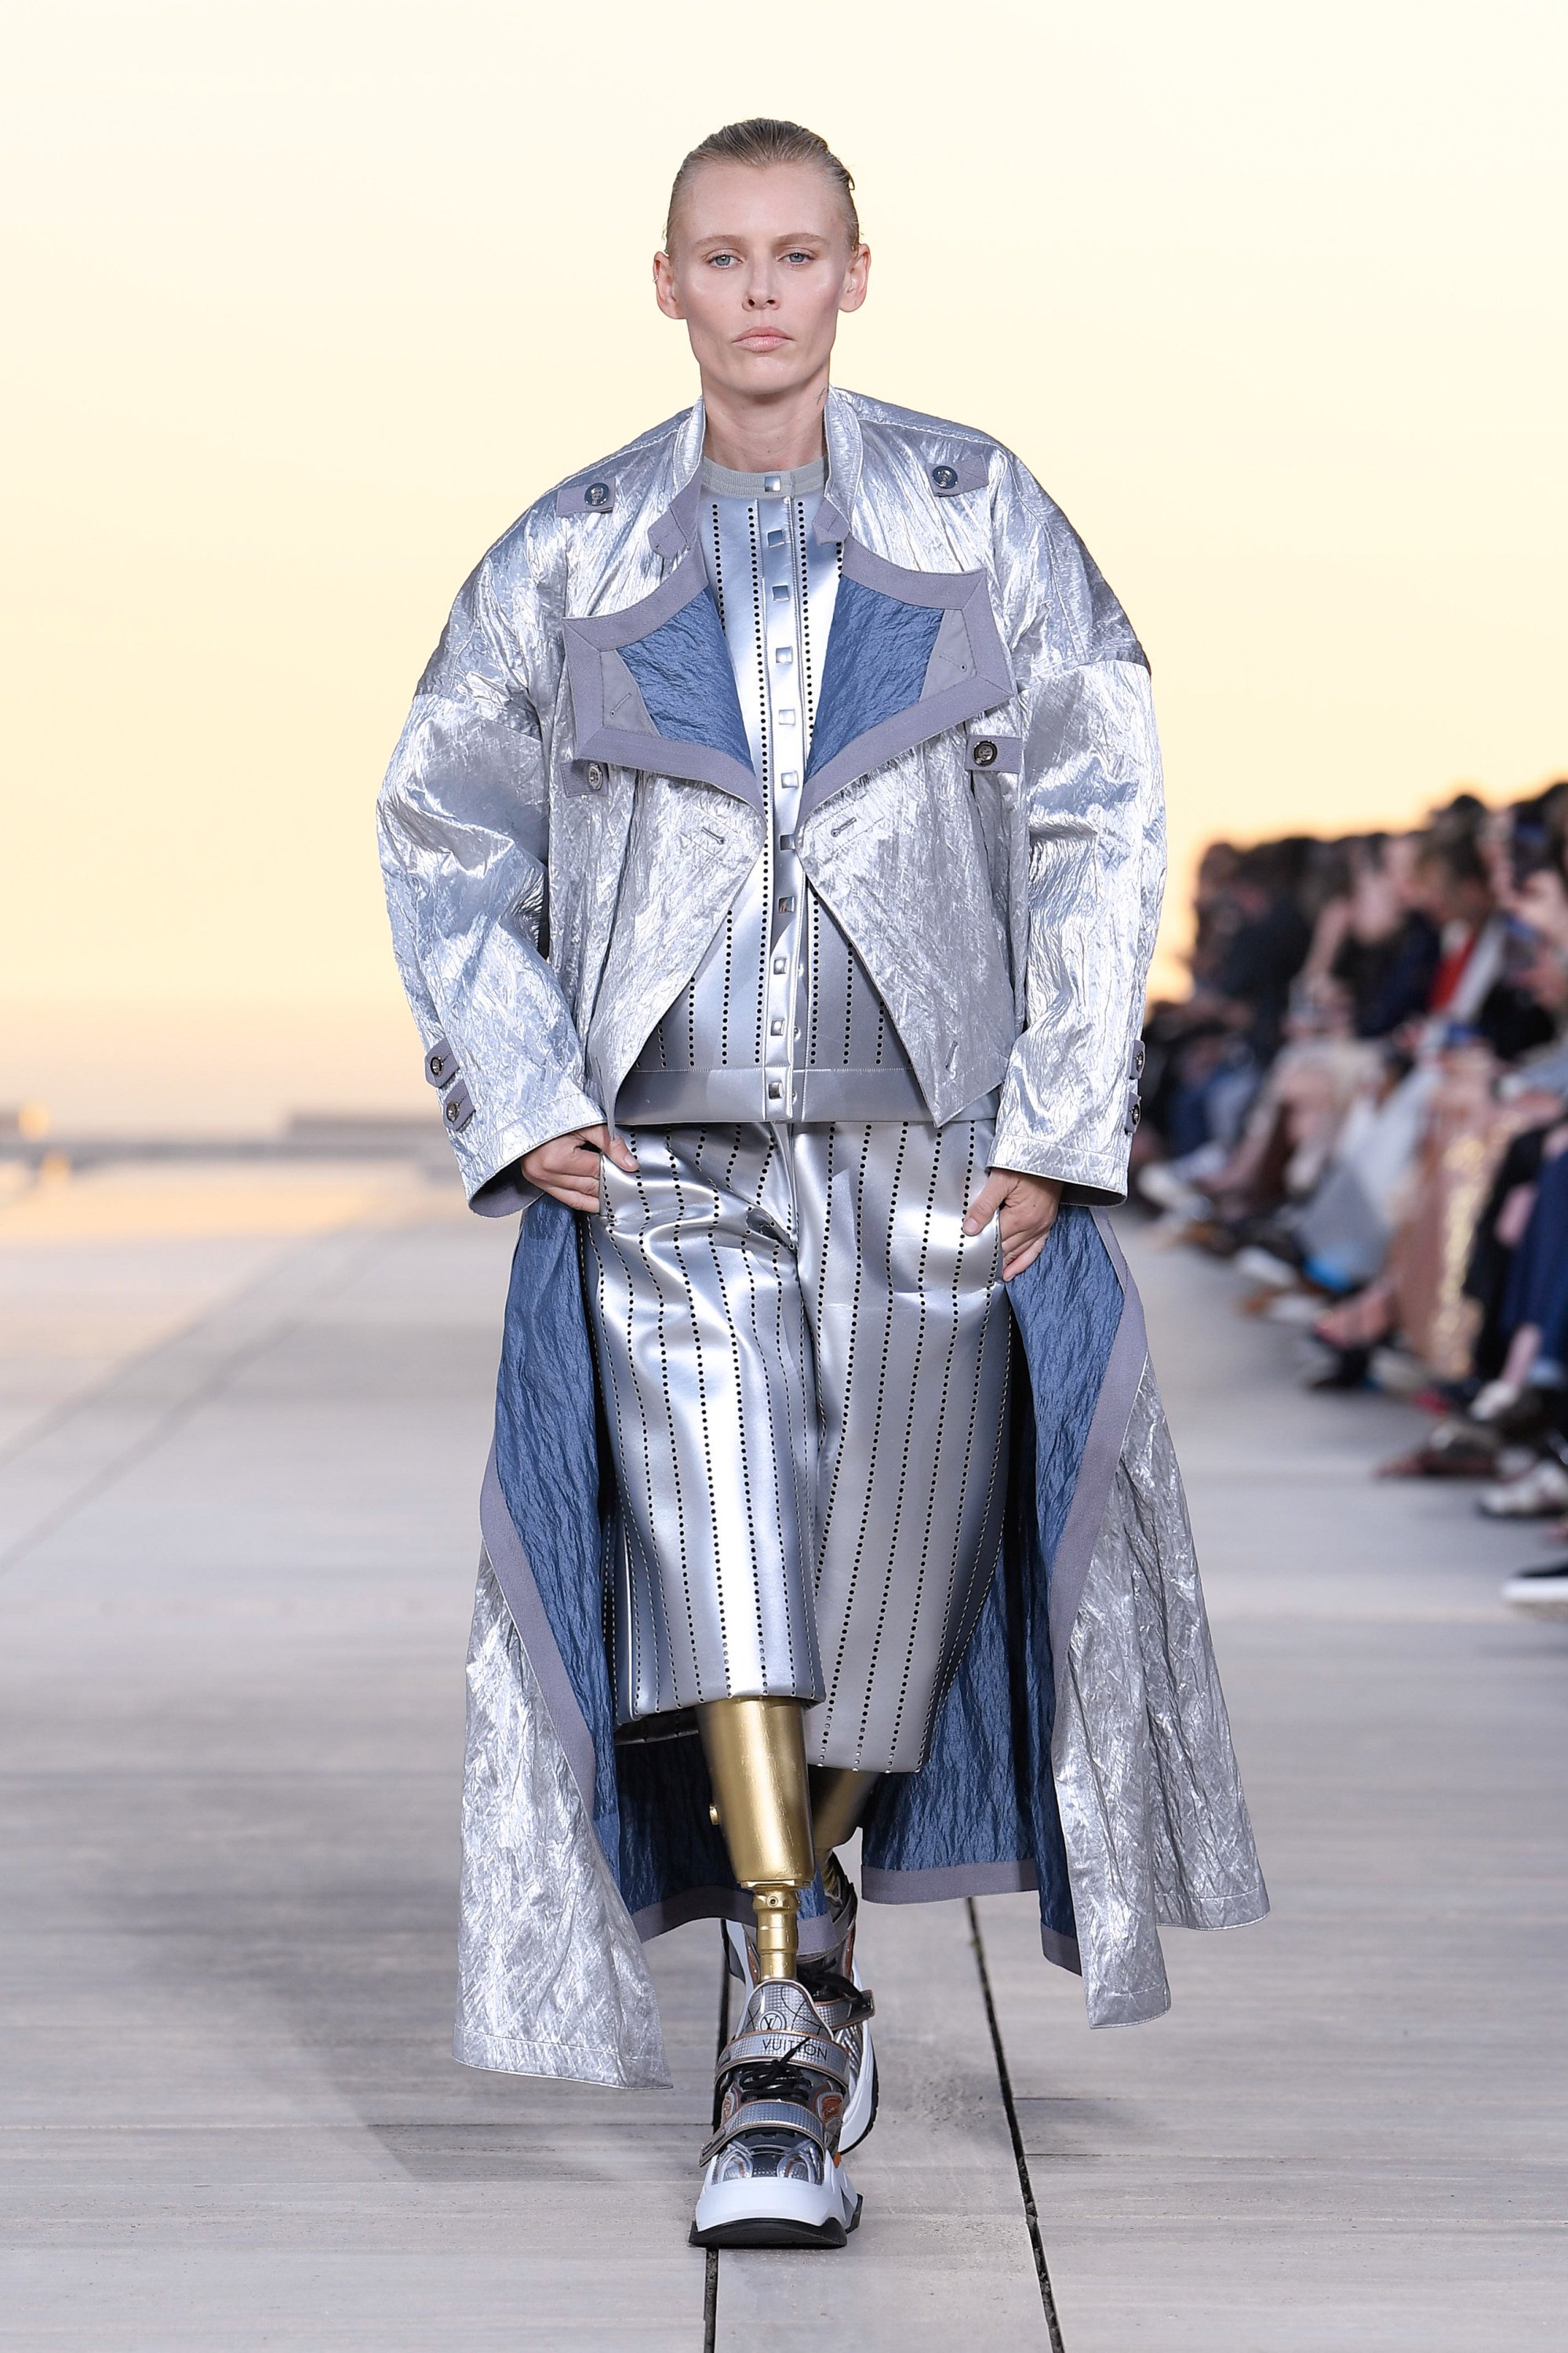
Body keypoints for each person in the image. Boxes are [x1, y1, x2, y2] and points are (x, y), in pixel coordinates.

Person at [377, 117, 1266, 2252]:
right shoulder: (573, 547)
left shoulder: (976, 513)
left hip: (937, 1141)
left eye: (797, 255)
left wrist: (1061, 1110)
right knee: (722, 1578)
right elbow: (441, 824)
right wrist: (518, 1090)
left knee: (897, 1587)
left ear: (859, 273)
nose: (761, 292)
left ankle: (812, 1924)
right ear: (665, 281)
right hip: (667, 1151)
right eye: (722, 257)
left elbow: (1100, 808)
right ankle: (783, 2025)